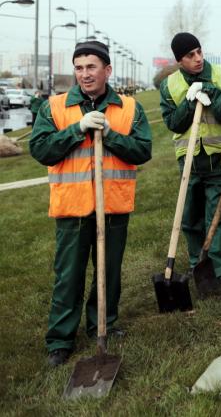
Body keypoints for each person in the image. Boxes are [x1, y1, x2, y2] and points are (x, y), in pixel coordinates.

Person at [29, 41, 152, 367]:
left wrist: (110, 135)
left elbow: (142, 151)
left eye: (91, 67)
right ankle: (60, 339)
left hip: (113, 206)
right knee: (68, 276)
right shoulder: (53, 108)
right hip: (73, 206)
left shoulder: (129, 108)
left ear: (107, 70)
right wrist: (77, 130)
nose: (85, 74)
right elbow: (41, 150)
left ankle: (104, 324)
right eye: (79, 67)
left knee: (108, 272)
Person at [159, 33, 221, 286]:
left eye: (199, 51)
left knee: (218, 215)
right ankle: (197, 263)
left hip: (220, 158)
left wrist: (211, 91)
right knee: (191, 217)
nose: (197, 58)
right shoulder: (169, 85)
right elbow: (173, 122)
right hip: (190, 162)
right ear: (179, 60)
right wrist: (188, 100)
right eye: (190, 55)